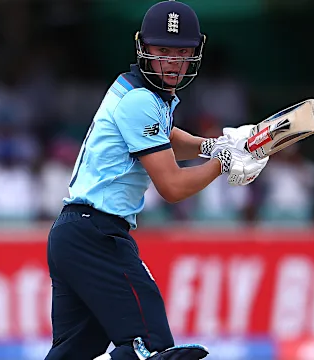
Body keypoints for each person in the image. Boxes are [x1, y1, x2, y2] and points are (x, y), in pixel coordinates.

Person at [44, 2, 268, 360]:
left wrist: (212, 145)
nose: (173, 62)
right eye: (163, 51)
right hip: (98, 234)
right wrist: (223, 164)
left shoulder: (137, 91)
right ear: (143, 48)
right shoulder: (140, 101)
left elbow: (164, 138)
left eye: (182, 53)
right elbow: (173, 187)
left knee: (74, 353)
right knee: (151, 346)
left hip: (73, 234)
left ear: (196, 52)